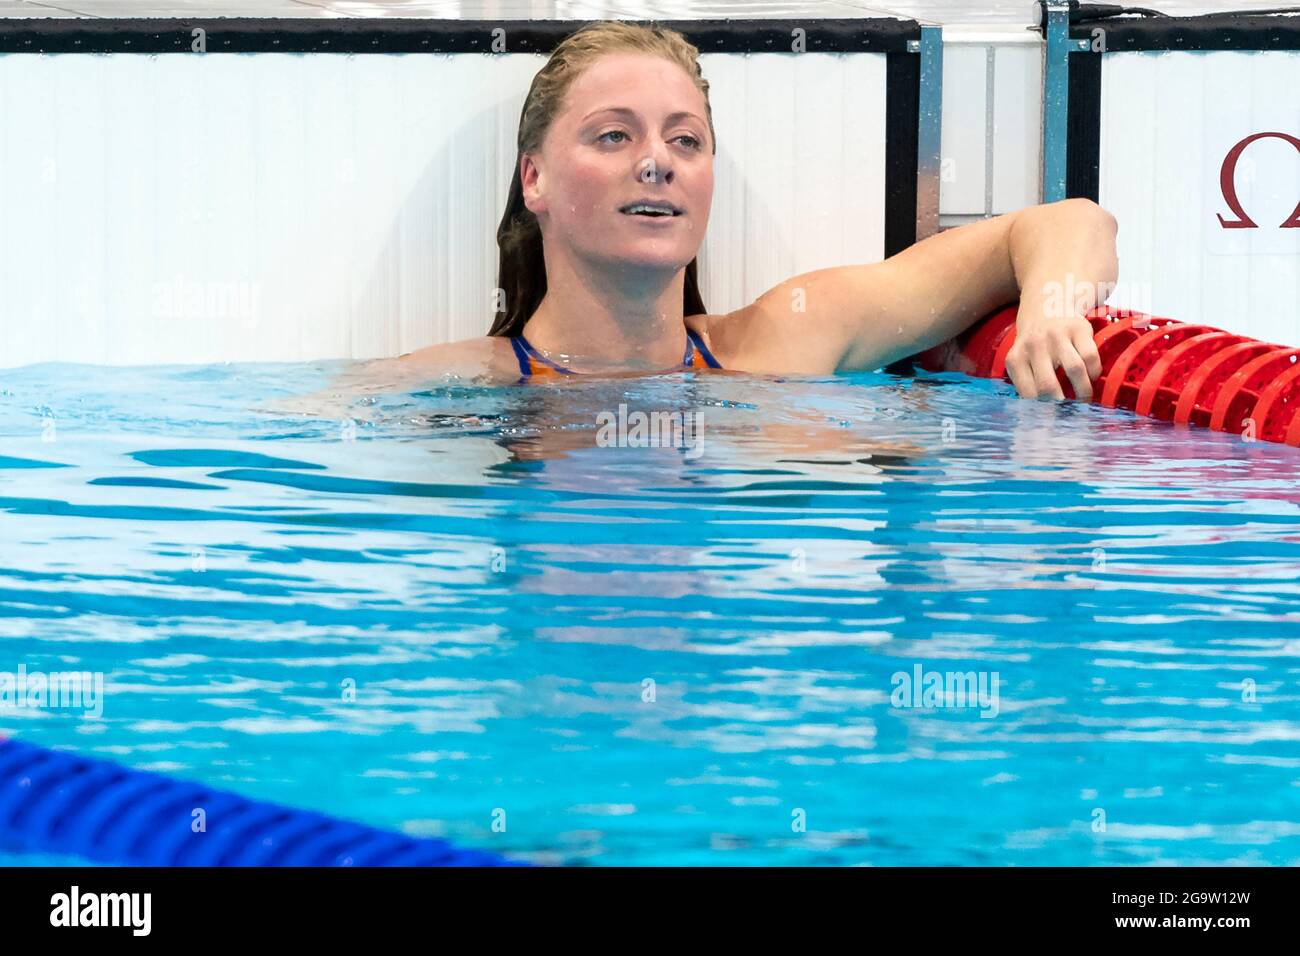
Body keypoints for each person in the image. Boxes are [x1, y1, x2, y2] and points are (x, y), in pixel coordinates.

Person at [397, 20, 1118, 401]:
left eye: (685, 139)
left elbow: (1068, 222)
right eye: (613, 135)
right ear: (535, 180)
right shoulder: (456, 382)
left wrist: (1051, 310)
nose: (657, 162)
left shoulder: (790, 336)